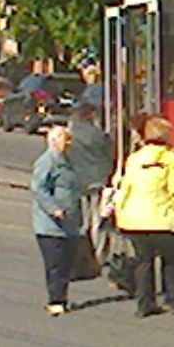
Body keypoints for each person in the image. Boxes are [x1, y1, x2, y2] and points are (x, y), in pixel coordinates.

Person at [114, 114, 174, 317]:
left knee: (143, 263)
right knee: (172, 261)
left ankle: (144, 304)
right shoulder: (172, 159)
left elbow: (126, 188)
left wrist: (120, 214)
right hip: (162, 219)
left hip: (135, 219)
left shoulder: (135, 159)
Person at [31, 126, 83, 316]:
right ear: (53, 141)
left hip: (69, 224)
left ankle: (62, 298)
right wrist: (53, 209)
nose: (69, 144)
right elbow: (39, 189)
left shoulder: (67, 161)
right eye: (65, 140)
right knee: (55, 264)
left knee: (66, 263)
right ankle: (55, 300)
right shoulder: (47, 162)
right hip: (49, 226)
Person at [67, 102, 113, 266]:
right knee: (98, 221)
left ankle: (81, 254)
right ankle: (98, 255)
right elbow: (110, 154)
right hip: (98, 180)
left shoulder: (69, 136)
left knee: (82, 220)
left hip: (77, 182)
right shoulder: (98, 135)